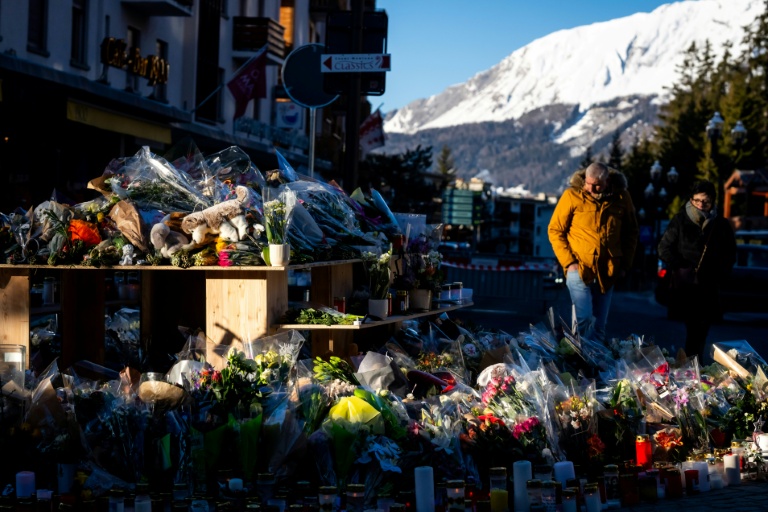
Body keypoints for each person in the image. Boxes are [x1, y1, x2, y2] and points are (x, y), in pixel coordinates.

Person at [548, 162, 639, 342]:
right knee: (584, 318)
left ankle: (593, 358)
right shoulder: (571, 196)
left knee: (599, 327)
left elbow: (631, 232)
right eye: (588, 183)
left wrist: (625, 265)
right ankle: (577, 353)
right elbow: (555, 230)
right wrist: (569, 262)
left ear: (607, 181)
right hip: (579, 268)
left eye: (596, 185)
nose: (590, 189)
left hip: (608, 270)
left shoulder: (622, 198)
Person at [658, 180, 736, 362]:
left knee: (700, 329)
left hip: (709, 284)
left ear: (712, 201)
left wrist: (720, 273)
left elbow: (730, 253)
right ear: (691, 199)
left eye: (705, 201)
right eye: (697, 200)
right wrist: (681, 264)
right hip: (686, 284)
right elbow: (663, 248)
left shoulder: (721, 224)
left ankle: (692, 364)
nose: (701, 204)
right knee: (694, 328)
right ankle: (691, 365)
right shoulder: (680, 220)